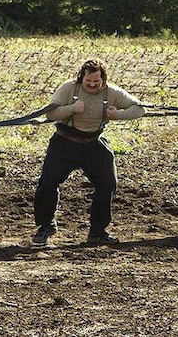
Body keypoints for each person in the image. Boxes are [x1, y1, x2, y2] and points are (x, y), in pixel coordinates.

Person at [32, 59, 146, 246]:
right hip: (65, 142)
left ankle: (98, 232)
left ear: (103, 80)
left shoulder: (112, 92)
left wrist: (118, 115)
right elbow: (50, 114)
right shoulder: (68, 89)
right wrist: (72, 109)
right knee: (47, 182)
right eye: (88, 82)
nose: (92, 85)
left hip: (93, 143)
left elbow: (139, 108)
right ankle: (46, 226)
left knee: (107, 184)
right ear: (81, 78)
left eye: (96, 82)